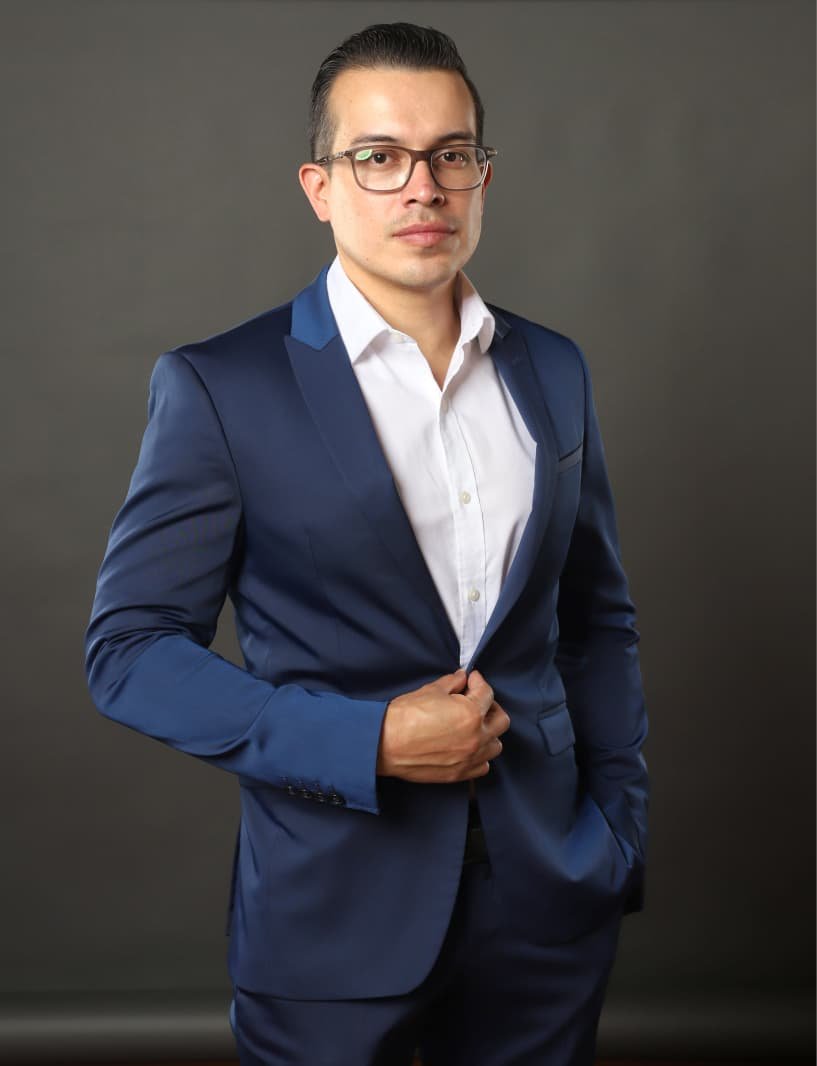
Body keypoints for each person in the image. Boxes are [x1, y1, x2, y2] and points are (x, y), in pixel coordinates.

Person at [84, 21, 649, 1066]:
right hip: (331, 909)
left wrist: (616, 830)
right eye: (380, 157)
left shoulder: (553, 369)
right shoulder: (222, 387)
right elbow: (128, 654)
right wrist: (369, 742)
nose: (421, 189)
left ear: (482, 177)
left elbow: (595, 621)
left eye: (450, 155)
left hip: (549, 896)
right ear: (321, 186)